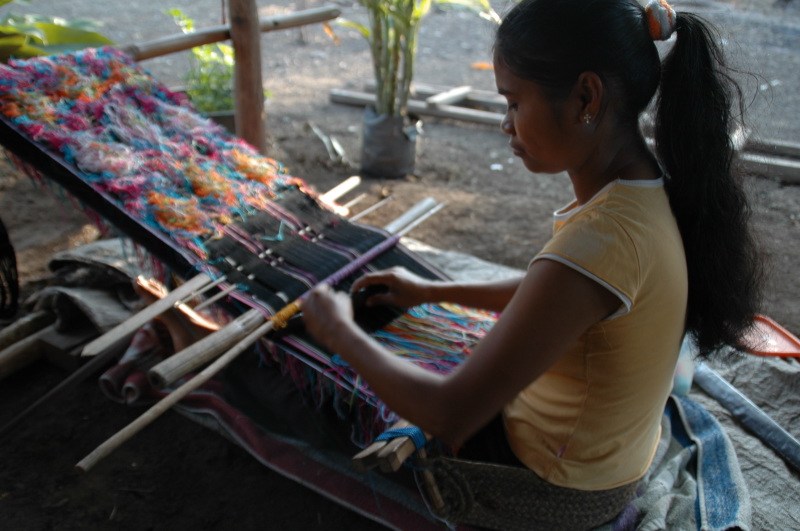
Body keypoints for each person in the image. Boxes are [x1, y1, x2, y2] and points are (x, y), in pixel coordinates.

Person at [302, 0, 763, 527]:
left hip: (557, 490)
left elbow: (452, 414)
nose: (505, 123)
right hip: (606, 462)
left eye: (514, 102)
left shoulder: (602, 239)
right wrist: (431, 293)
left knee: (342, 392)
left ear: (586, 96)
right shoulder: (641, 192)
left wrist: (338, 329)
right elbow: (560, 296)